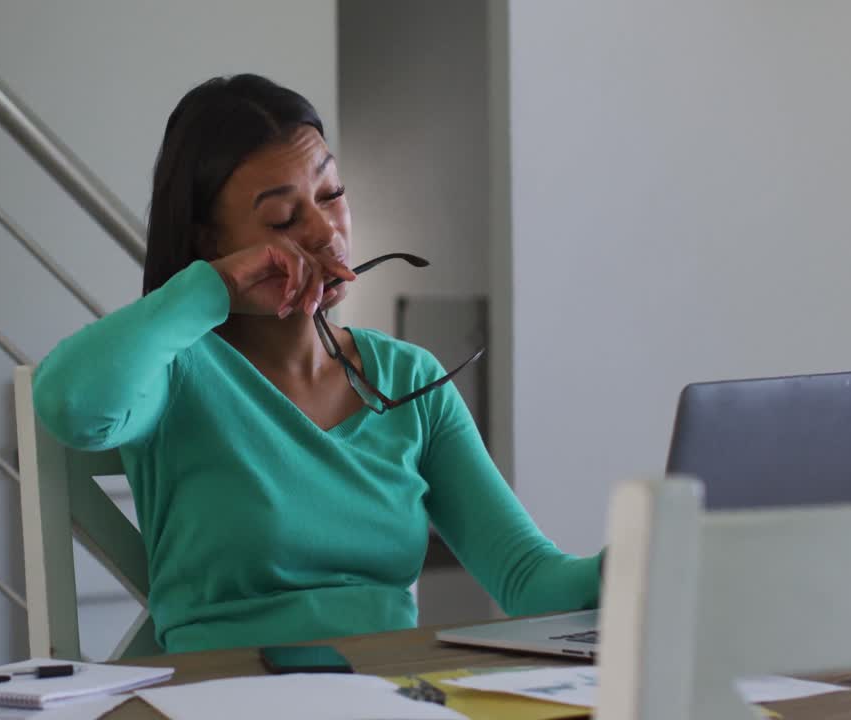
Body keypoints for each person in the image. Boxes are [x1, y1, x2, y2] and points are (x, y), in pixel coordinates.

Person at [33, 74, 601, 654]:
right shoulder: (176, 373)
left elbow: (528, 578)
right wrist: (212, 288)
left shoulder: (411, 380)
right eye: (283, 219)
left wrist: (633, 564)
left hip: (389, 698)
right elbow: (68, 404)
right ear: (210, 243)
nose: (327, 231)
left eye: (331, 194)